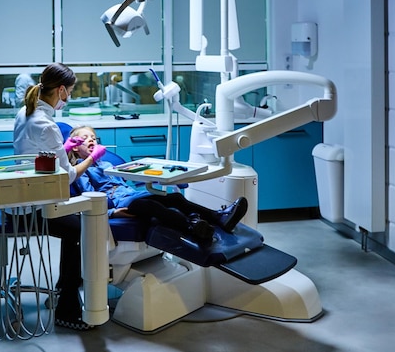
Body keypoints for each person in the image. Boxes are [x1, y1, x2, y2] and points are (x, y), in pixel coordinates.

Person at [13, 63, 107, 331]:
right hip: (33, 208)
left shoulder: (25, 112)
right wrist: (90, 157)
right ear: (62, 90)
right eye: (70, 92)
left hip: (23, 196)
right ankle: (67, 307)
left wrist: (63, 149)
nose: (70, 98)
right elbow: (67, 177)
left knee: (75, 226)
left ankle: (62, 289)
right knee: (82, 230)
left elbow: (38, 155)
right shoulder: (46, 125)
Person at [67, 125, 248, 241]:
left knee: (176, 197)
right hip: (121, 203)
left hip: (131, 194)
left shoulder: (106, 163)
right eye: (85, 138)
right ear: (74, 146)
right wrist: (113, 213)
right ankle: (191, 226)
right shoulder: (80, 171)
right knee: (149, 205)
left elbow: (125, 181)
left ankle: (218, 217)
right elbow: (91, 200)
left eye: (93, 137)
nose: (91, 140)